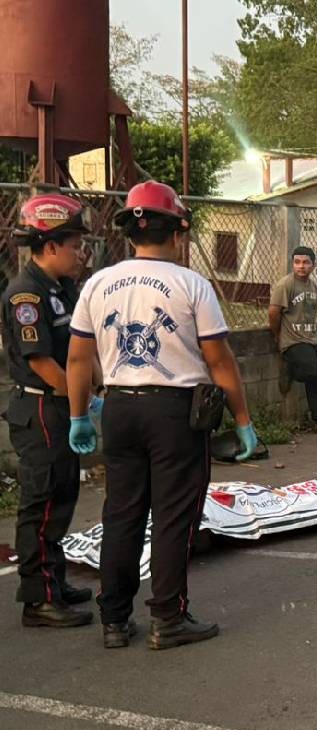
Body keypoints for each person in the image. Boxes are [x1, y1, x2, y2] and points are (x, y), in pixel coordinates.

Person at [66, 180, 258, 650]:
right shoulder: (191, 285)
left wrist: (79, 416)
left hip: (118, 408)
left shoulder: (98, 283)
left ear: (131, 233)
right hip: (174, 413)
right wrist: (243, 420)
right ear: (177, 233)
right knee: (173, 516)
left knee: (122, 513)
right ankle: (168, 617)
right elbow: (219, 360)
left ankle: (113, 619)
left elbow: (76, 359)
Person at [1, 194, 93, 628]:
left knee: (62, 496)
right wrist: (84, 404)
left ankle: (54, 579)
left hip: (59, 407)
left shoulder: (62, 289)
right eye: (74, 244)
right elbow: (42, 361)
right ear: (50, 246)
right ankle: (37, 599)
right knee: (41, 501)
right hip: (40, 406)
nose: (81, 252)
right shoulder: (27, 295)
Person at [269, 246, 317, 435]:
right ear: (293, 264)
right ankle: (291, 370)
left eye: (306, 262)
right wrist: (277, 336)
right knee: (315, 371)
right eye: (297, 262)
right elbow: (273, 312)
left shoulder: (312, 285)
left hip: (311, 339)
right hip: (293, 341)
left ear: (313, 265)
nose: (301, 266)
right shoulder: (285, 285)